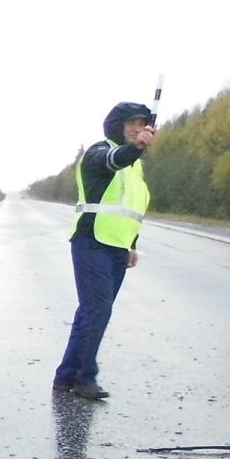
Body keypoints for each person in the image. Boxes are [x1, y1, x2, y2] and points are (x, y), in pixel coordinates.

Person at [54, 101, 156, 399]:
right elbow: (113, 160)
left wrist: (132, 245)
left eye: (142, 124)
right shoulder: (100, 152)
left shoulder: (135, 167)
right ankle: (85, 378)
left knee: (91, 313)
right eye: (132, 125)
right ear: (118, 126)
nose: (137, 130)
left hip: (117, 246)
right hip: (92, 241)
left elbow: (132, 207)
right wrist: (136, 147)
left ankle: (66, 376)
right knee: (97, 310)